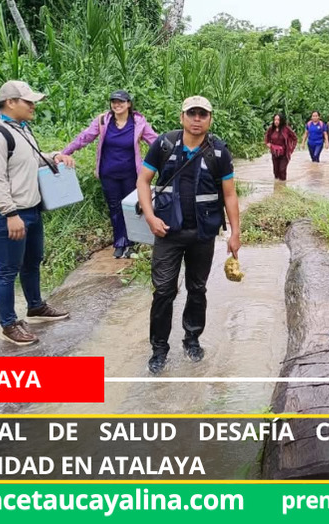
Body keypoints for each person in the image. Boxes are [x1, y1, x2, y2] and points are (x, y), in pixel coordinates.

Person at [136, 96, 241, 374]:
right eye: (192, 113)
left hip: (202, 234)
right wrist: (150, 217)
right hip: (167, 231)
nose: (197, 119)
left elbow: (229, 195)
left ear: (210, 119)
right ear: (182, 117)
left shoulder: (218, 152)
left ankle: (192, 339)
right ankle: (159, 349)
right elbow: (143, 181)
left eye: (202, 114)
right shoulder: (164, 145)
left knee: (197, 289)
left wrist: (235, 233)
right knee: (163, 291)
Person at [0, 80, 76, 346]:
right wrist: (10, 214)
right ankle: (9, 324)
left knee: (32, 262)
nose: (33, 106)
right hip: (9, 214)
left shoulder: (20, 129)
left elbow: (29, 158)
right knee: (7, 270)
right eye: (28, 101)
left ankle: (35, 306)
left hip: (31, 209)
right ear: (10, 103)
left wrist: (55, 156)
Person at [62, 90, 159, 258]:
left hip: (131, 173)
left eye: (121, 101)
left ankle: (132, 242)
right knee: (115, 208)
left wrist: (173, 153)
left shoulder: (138, 122)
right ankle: (120, 242)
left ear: (129, 103)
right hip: (108, 173)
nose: (117, 105)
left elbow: (155, 141)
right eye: (114, 101)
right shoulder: (103, 121)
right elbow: (84, 137)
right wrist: (64, 152)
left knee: (132, 207)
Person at [265, 113, 297, 181]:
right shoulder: (271, 129)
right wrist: (268, 144)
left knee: (282, 170)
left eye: (278, 120)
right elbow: (267, 137)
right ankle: (277, 187)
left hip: (285, 154)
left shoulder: (286, 129)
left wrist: (291, 148)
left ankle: (283, 186)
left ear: (281, 120)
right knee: (276, 171)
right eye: (275, 120)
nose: (276, 121)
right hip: (275, 153)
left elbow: (295, 138)